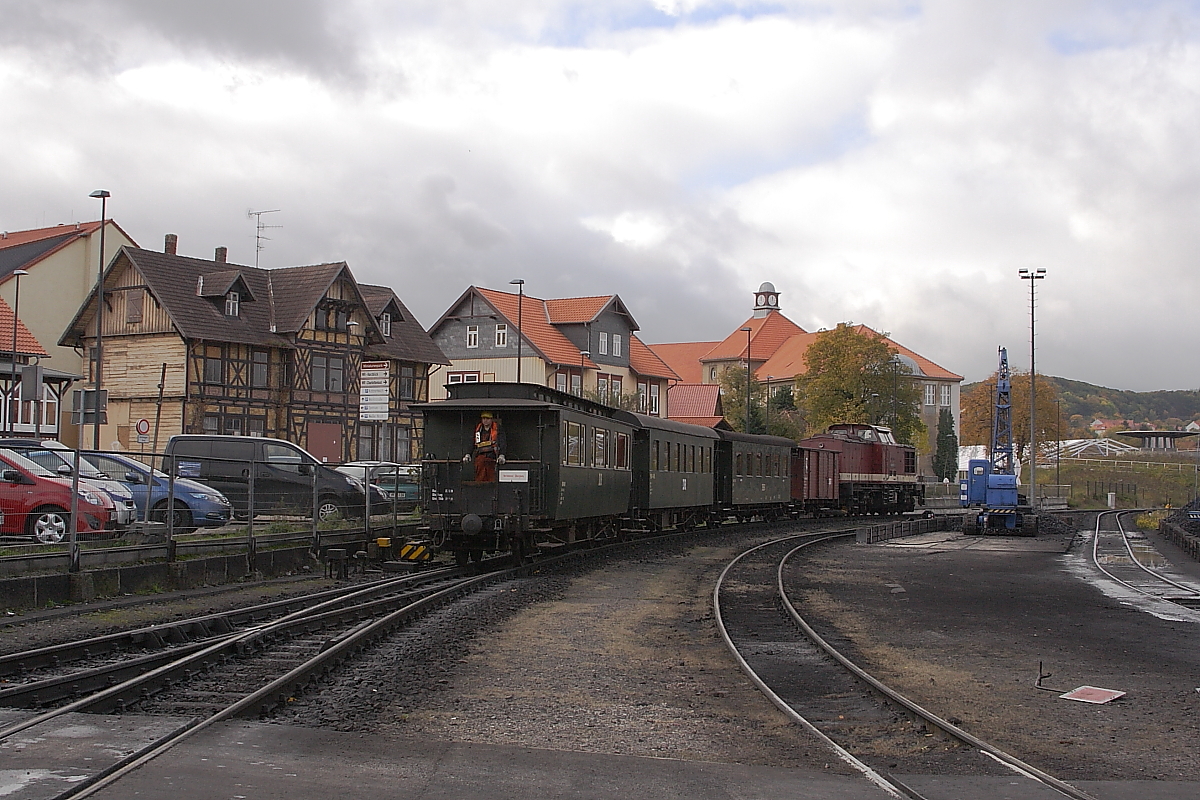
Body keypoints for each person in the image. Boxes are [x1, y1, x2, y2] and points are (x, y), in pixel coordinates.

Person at [472, 411, 505, 482]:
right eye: (483, 418)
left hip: (492, 458)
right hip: (480, 458)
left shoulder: (498, 429)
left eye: (487, 418)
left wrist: (502, 455)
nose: (485, 420)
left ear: (491, 419)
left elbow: (503, 442)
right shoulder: (478, 430)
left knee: (492, 479)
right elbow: (472, 442)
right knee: (479, 478)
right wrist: (468, 454)